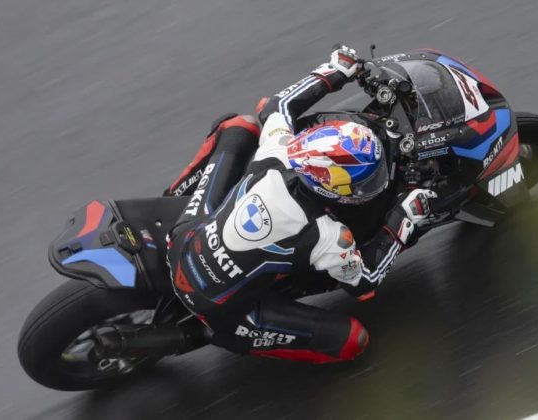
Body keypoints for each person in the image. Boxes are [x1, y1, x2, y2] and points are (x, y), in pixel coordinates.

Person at [165, 46, 437, 363]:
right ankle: (212, 335)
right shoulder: (327, 236)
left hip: (182, 243)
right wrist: (405, 217)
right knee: (352, 340)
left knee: (239, 126)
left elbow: (278, 106)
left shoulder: (278, 152)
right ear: (329, 188)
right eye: (361, 182)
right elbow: (366, 281)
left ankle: (172, 199)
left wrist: (334, 71)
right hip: (220, 310)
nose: (368, 186)